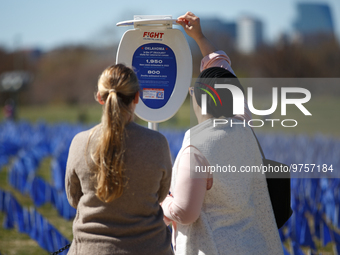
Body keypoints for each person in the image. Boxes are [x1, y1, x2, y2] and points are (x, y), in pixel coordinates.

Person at [161, 12, 284, 255]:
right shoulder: (242, 124)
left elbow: (185, 212)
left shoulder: (196, 147)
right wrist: (200, 36)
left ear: (198, 100)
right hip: (255, 245)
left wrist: (161, 200)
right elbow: (222, 70)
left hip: (212, 247)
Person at [65, 64, 173, 255]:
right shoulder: (157, 143)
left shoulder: (79, 142)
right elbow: (161, 195)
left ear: (99, 97)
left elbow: (74, 198)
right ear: (137, 97)